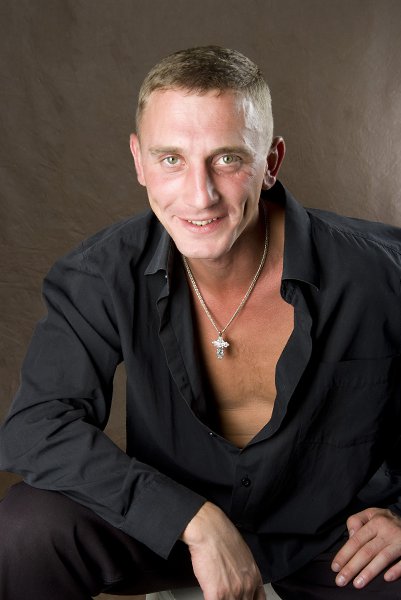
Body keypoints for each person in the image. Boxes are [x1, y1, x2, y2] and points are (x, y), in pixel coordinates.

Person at [0, 45, 401, 600]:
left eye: (227, 158)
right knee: (26, 527)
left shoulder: (381, 270)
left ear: (271, 162)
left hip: (334, 540)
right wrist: (189, 518)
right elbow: (36, 426)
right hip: (168, 532)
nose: (199, 194)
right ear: (139, 161)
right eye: (171, 159)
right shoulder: (100, 274)